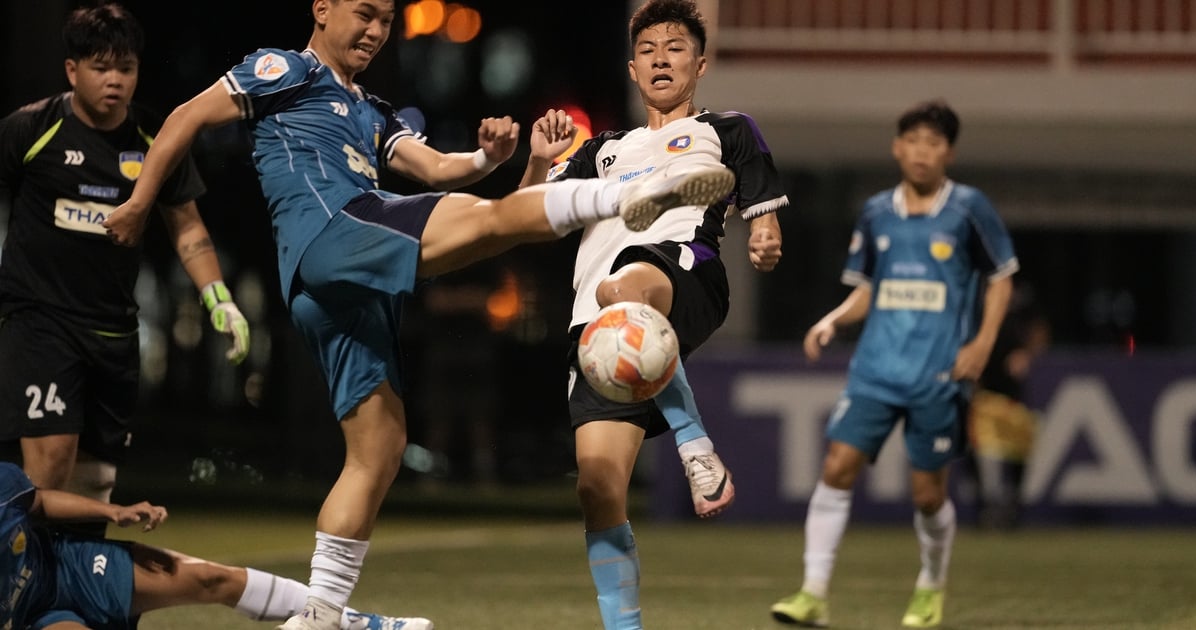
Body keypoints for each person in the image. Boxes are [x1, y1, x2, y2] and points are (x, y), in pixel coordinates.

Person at [101, 1, 736, 628]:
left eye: (385, 21)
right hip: (334, 228)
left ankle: (321, 612)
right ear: (322, 9)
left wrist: (487, 157)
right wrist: (137, 202)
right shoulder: (285, 69)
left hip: (329, 288)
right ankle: (629, 192)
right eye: (364, 13)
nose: (375, 31)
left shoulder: (372, 110)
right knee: (489, 219)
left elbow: (435, 168)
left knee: (378, 448)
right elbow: (186, 115)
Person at [519, 1, 787, 627]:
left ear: (700, 63)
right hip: (596, 334)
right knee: (597, 487)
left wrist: (765, 232)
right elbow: (525, 216)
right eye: (648, 49)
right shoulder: (602, 148)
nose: (661, 56)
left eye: (676, 47)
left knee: (625, 288)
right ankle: (624, 626)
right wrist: (536, 158)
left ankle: (696, 446)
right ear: (633, 69)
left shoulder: (729, 128)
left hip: (683, 270)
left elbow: (762, 205)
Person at [0, 2, 249, 533]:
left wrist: (218, 299)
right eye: (100, 67)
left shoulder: (155, 142)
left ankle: (69, 599)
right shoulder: (30, 129)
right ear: (72, 70)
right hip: (41, 324)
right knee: (48, 465)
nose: (115, 81)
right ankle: (21, 595)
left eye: (126, 68)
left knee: (96, 485)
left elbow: (188, 228)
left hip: (114, 333)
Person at [769, 99, 1017, 629]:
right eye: (914, 142)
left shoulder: (970, 208)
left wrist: (983, 343)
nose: (922, 152)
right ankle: (813, 593)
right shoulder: (877, 211)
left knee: (928, 495)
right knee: (836, 468)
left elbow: (1001, 276)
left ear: (947, 153)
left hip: (939, 374)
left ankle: (930, 586)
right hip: (876, 370)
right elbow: (867, 290)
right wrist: (833, 320)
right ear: (897, 147)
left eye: (934, 143)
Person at [0, 461, 429, 630]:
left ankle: (358, 624)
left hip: (67, 566)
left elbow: (36, 500)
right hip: (35, 616)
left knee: (209, 578)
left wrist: (110, 512)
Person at [963, 281, 1049, 530]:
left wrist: (1027, 354)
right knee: (974, 444)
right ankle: (982, 506)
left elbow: (1039, 328)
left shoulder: (1021, 287)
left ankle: (1013, 505)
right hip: (982, 378)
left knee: (1017, 443)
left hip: (1011, 383)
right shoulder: (973, 282)